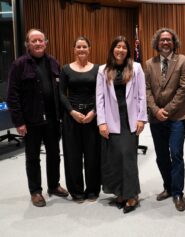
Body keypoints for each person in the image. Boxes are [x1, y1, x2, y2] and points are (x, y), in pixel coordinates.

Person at [6, 28, 68, 207]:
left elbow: (59, 91)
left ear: (45, 42)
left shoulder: (53, 62)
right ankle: (35, 191)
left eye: (41, 40)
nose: (38, 43)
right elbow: (12, 95)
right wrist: (19, 122)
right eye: (34, 41)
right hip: (31, 121)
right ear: (28, 44)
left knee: (54, 155)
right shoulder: (19, 65)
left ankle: (54, 185)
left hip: (52, 119)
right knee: (32, 157)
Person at [96, 36, 147, 214]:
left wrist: (141, 118)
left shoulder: (137, 68)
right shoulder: (103, 70)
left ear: (128, 51)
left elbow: (142, 95)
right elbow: (100, 98)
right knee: (115, 158)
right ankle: (119, 192)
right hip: (111, 118)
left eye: (124, 47)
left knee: (128, 157)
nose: (120, 50)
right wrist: (101, 122)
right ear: (112, 49)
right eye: (117, 47)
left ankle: (132, 194)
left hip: (130, 118)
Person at [145, 28, 185, 212]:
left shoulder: (184, 61)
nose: (165, 43)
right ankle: (168, 186)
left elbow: (183, 90)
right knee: (161, 155)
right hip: (156, 118)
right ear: (157, 43)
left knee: (176, 153)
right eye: (162, 40)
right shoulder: (149, 63)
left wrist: (167, 110)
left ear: (174, 43)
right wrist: (156, 110)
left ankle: (178, 192)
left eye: (169, 40)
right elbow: (147, 89)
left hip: (177, 117)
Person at [59, 36, 100, 203]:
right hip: (72, 117)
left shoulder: (98, 69)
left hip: (92, 116)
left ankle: (92, 190)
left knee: (93, 155)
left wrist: (95, 112)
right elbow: (61, 93)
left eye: (84, 46)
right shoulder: (66, 69)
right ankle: (76, 191)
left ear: (89, 49)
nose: (81, 49)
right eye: (78, 47)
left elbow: (102, 93)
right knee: (73, 155)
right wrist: (71, 111)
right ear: (74, 49)